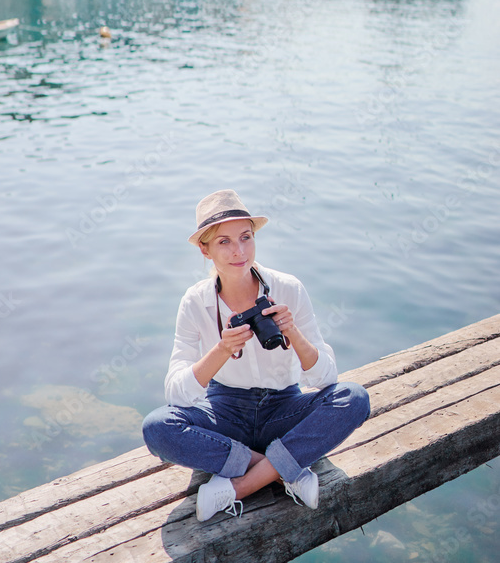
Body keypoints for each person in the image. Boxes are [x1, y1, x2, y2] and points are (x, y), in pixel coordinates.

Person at [142, 189, 370, 522]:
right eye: (224, 242)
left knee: (355, 398)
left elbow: (325, 378)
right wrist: (222, 350)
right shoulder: (195, 302)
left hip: (283, 407)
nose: (239, 251)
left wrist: (292, 332)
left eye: (246, 238)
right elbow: (177, 394)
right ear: (204, 249)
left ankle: (239, 487)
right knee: (157, 428)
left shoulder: (288, 288)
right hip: (225, 412)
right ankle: (284, 470)